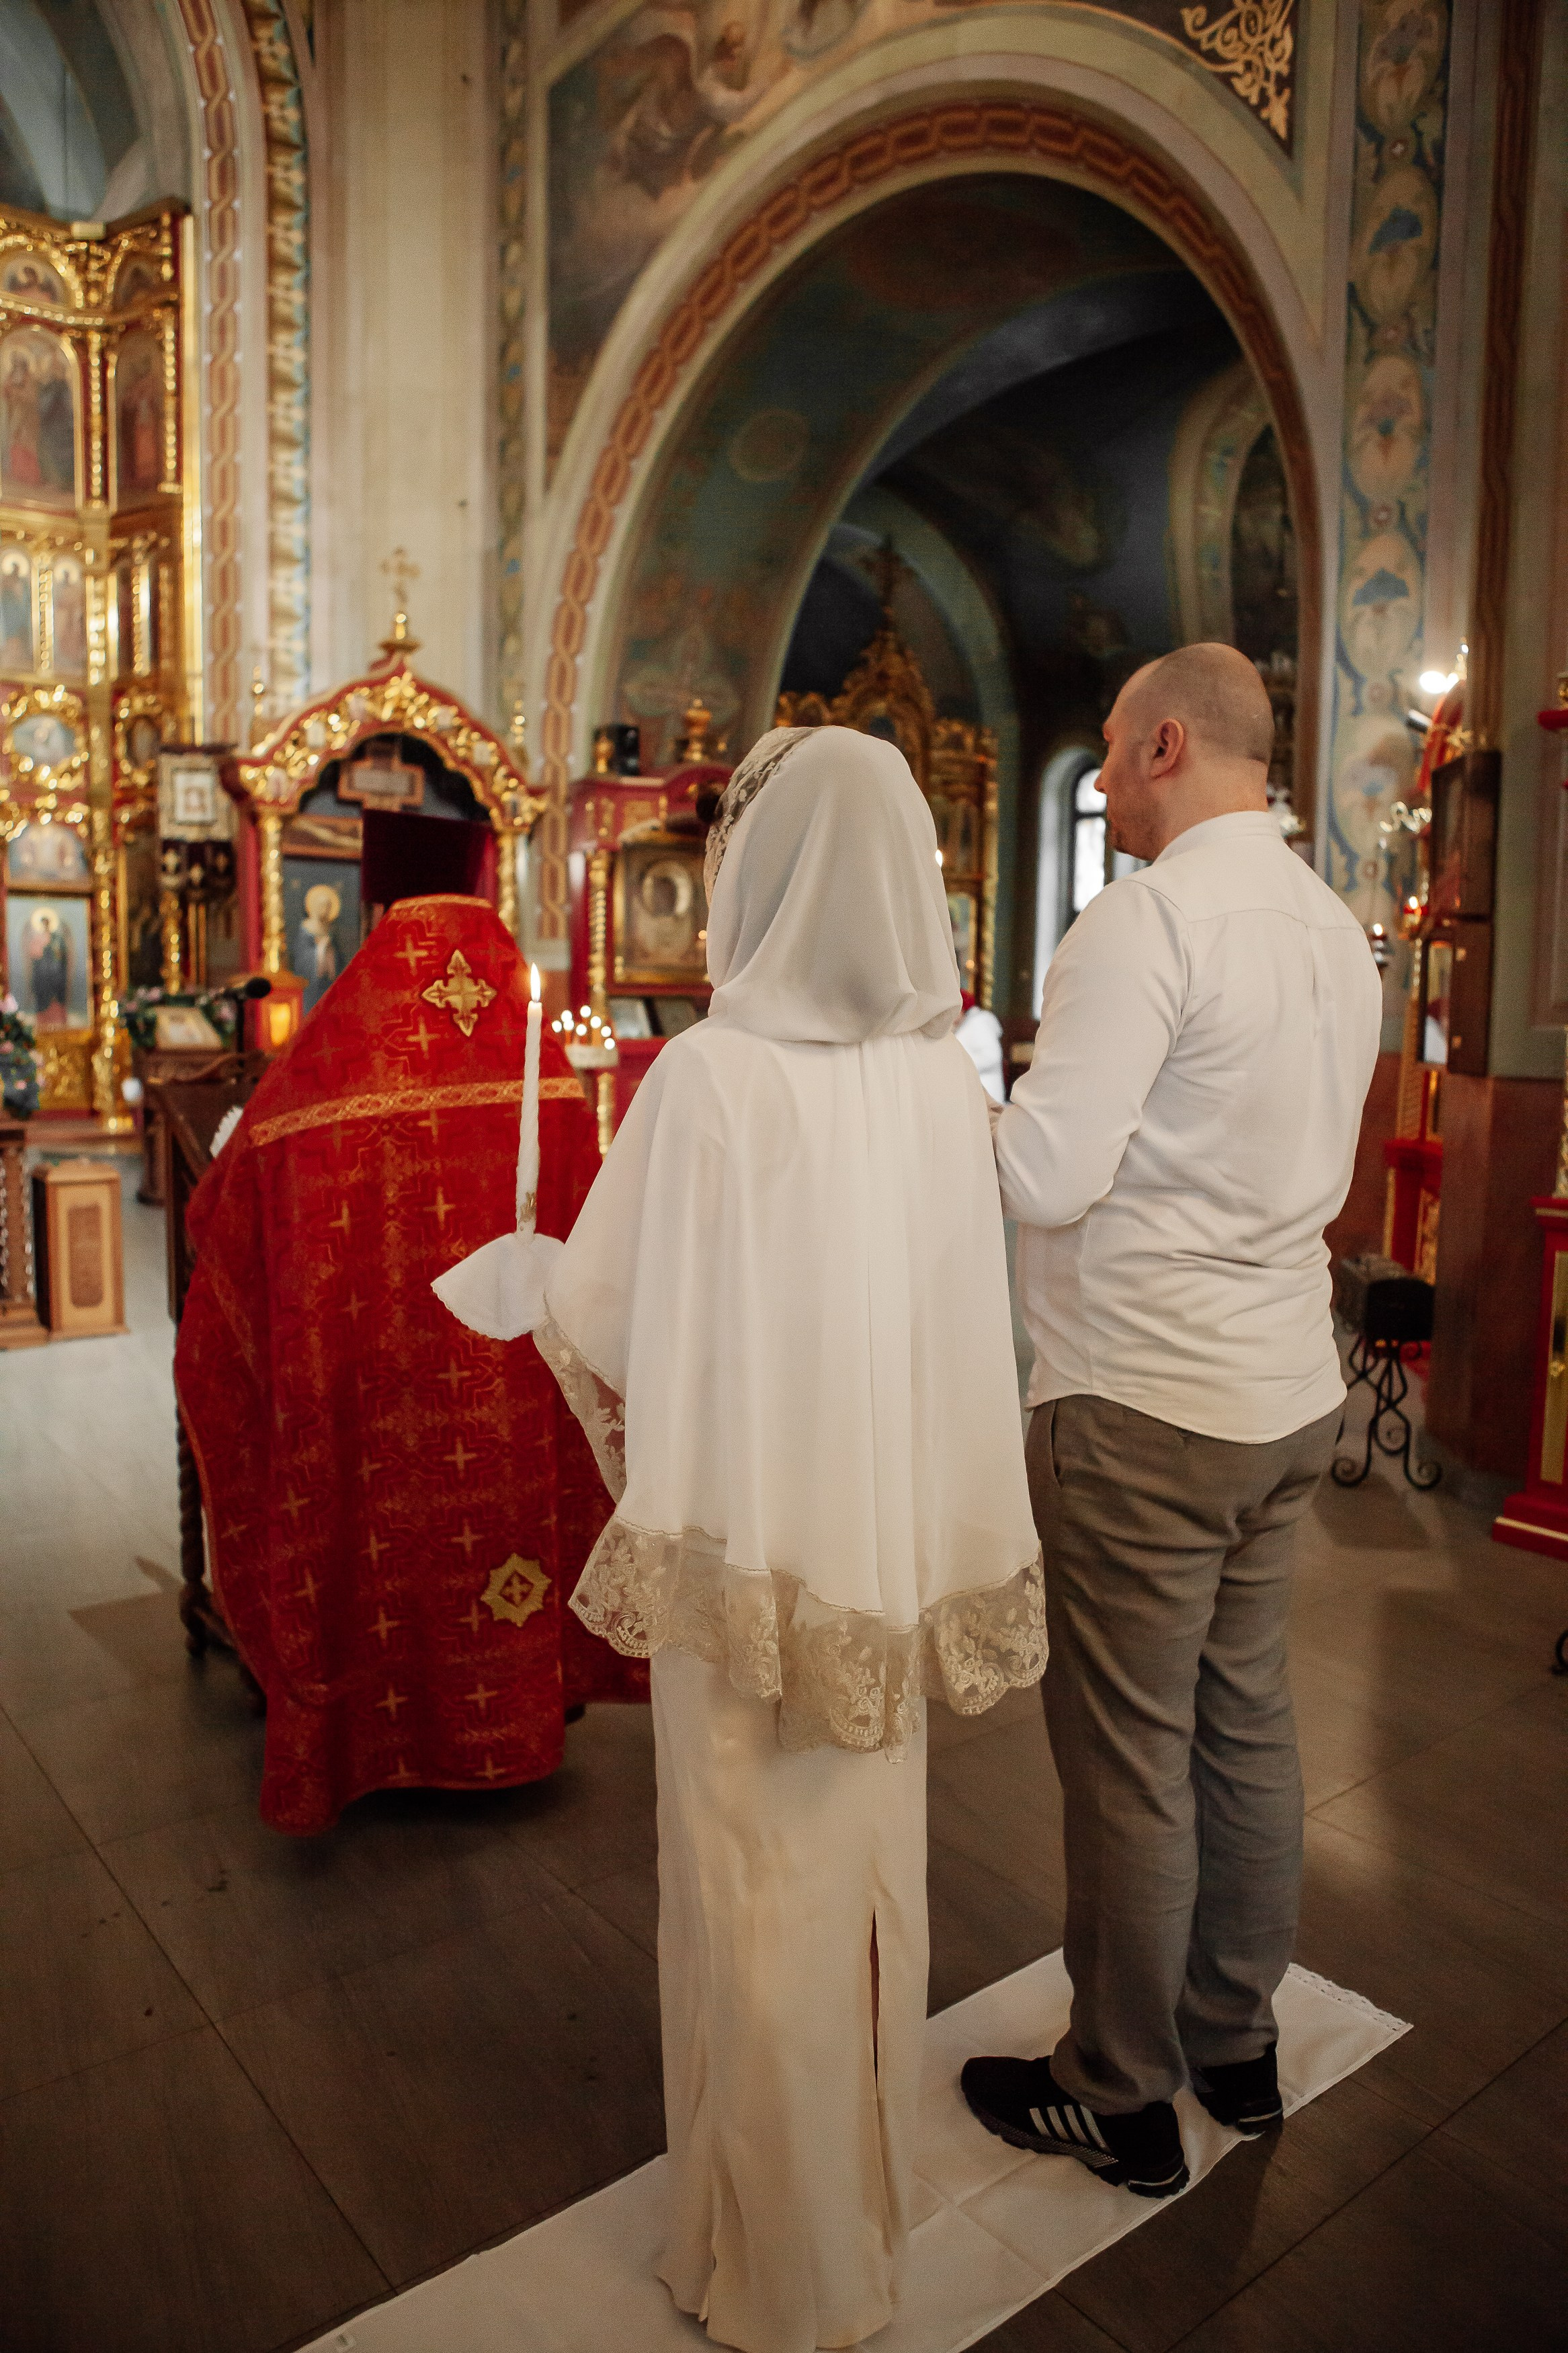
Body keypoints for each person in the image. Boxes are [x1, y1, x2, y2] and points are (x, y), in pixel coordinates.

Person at [538, 725, 1046, 2353]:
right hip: (881, 1566)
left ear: (765, 875)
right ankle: (857, 2241)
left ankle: (763, 2265)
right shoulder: (941, 1084)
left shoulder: (706, 1078)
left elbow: (605, 1311)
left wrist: (530, 1279)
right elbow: (979, 1329)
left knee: (747, 1886)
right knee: (862, 1885)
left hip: (750, 1559)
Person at [962, 643, 1382, 2197]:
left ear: (1158, 742)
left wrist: (942, 1105)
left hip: (1143, 1402)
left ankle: (1117, 2088)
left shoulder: (1146, 922)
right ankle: (1235, 2044)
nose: (1106, 797)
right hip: (1282, 1389)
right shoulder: (1335, 928)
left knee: (1133, 1756)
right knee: (1246, 1722)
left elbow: (1045, 1175)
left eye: (1112, 768)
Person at [175, 893, 647, 1835]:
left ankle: (362, 1731)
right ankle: (520, 1712)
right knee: (505, 1530)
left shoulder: (321, 1084)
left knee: (364, 1538)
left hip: (366, 1393)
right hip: (510, 1401)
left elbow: (223, 1204)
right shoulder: (546, 1086)